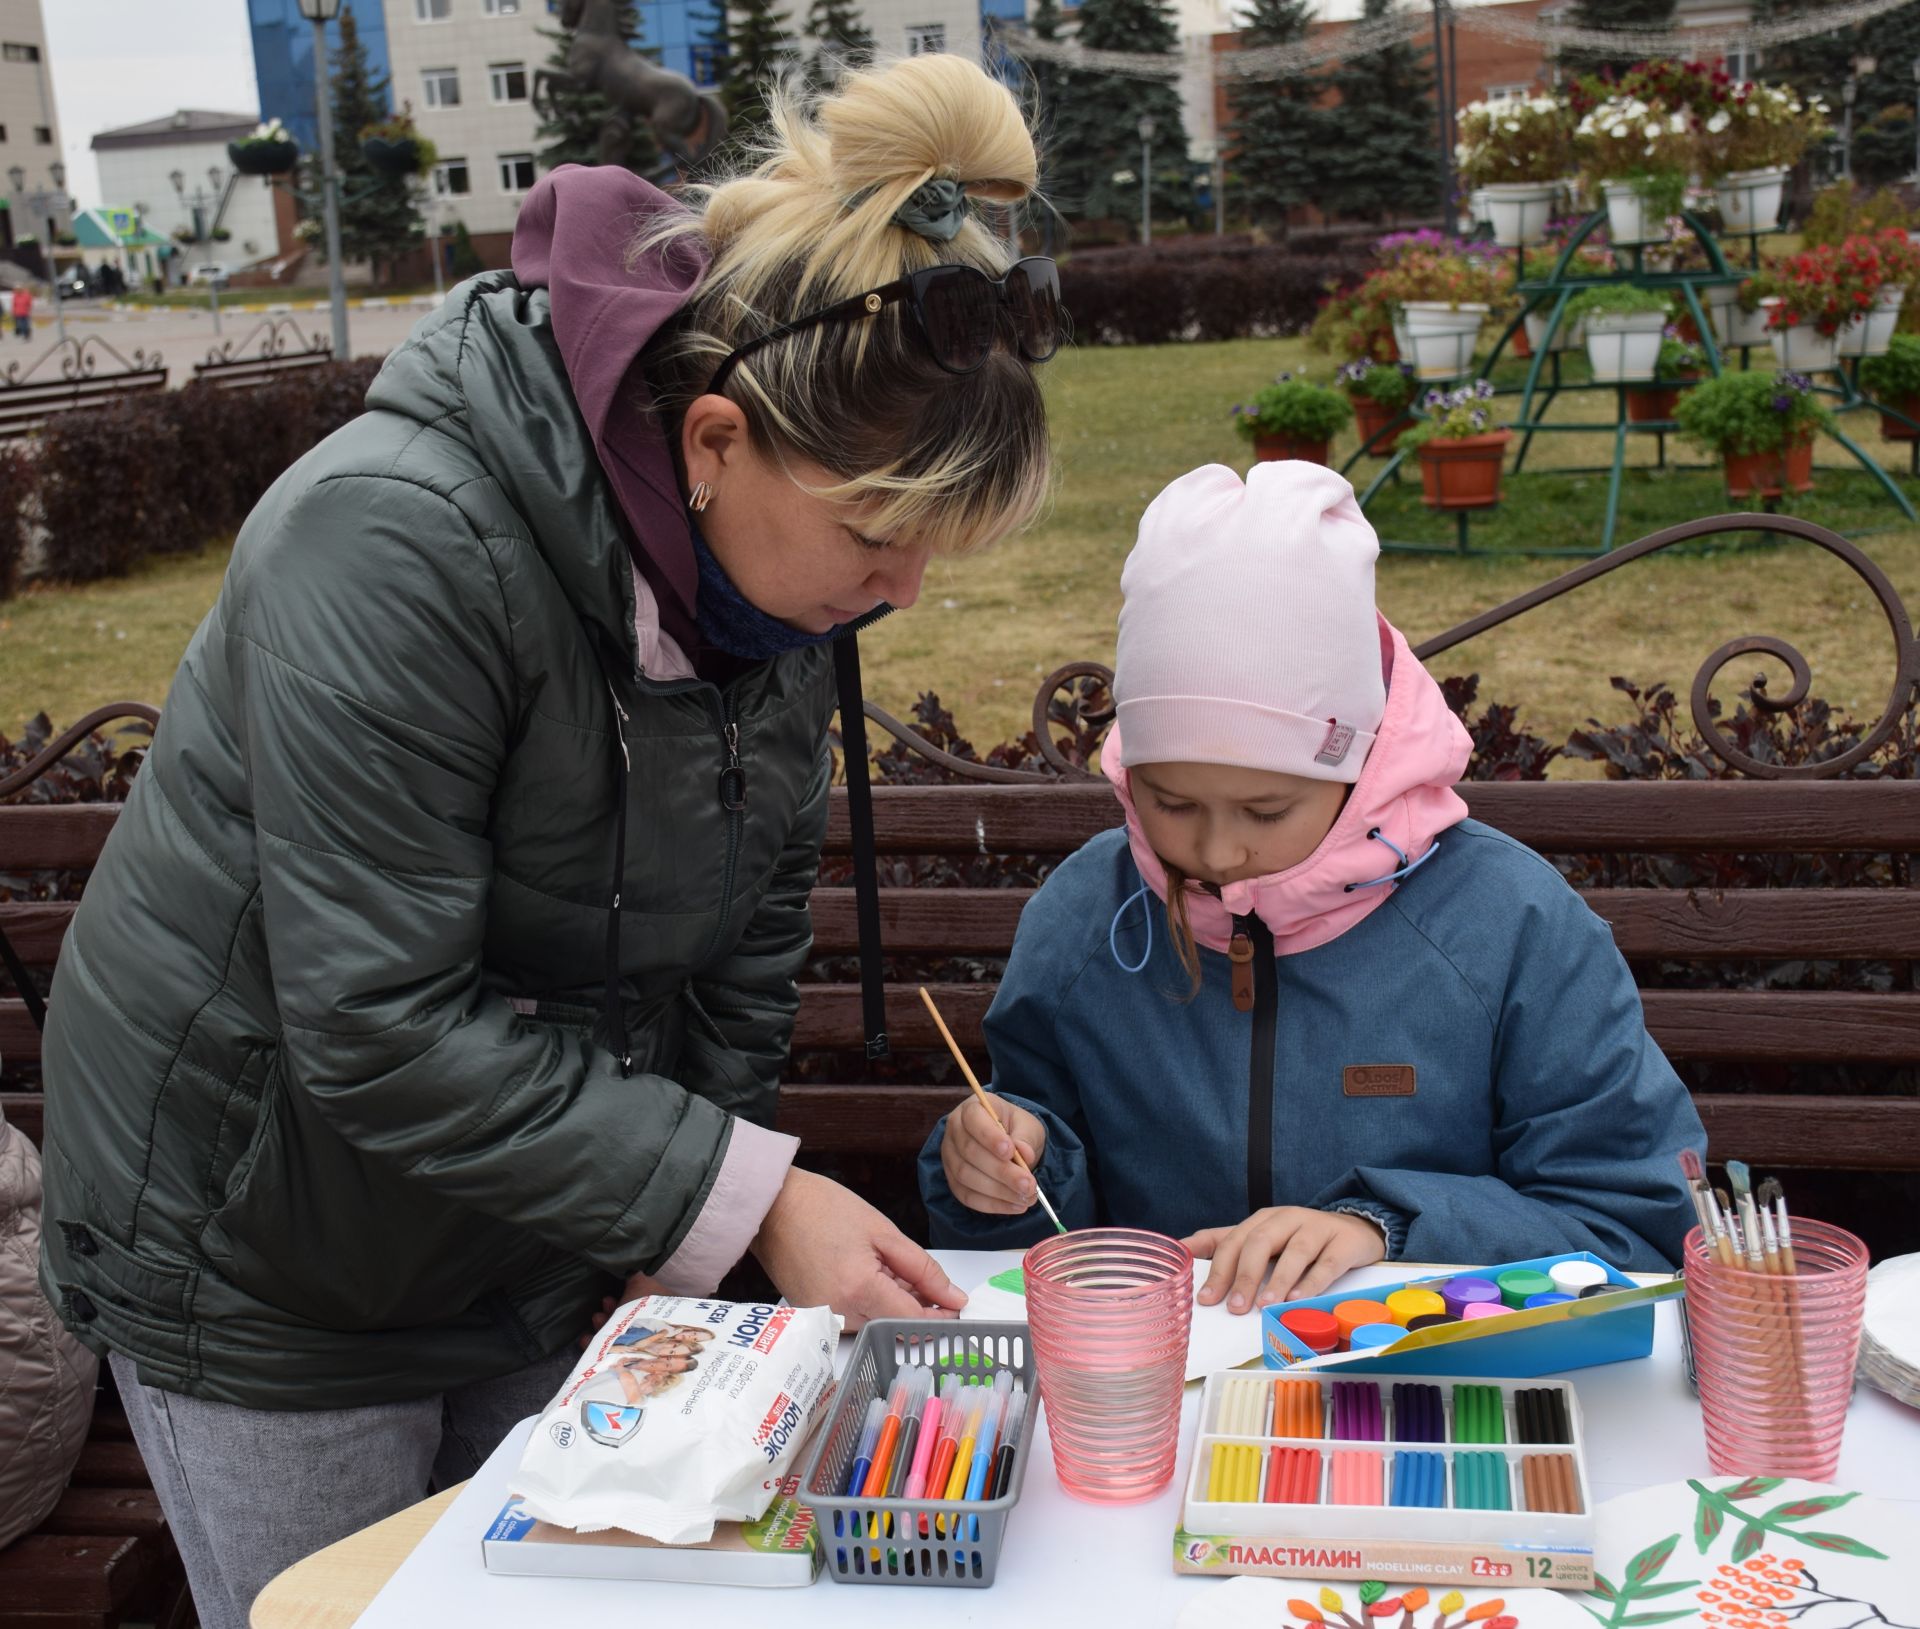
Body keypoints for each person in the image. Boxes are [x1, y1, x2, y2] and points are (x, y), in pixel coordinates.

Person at [39, 52, 1055, 1629]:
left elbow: (750, 938)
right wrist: (745, 1195)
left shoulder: (760, 593)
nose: (907, 592)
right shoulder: (392, 542)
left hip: (524, 1224)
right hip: (261, 1258)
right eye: (878, 534)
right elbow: (373, 1025)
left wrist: (680, 1235)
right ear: (712, 440)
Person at [919, 461, 1706, 1311]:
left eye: (1267, 807)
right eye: (1171, 800)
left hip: (1414, 1397)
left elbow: (1634, 1220)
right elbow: (1033, 1182)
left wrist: (1387, 1229)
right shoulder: (1087, 917)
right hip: (1169, 1393)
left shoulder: (1510, 927)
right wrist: (1001, 1164)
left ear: (1360, 763)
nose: (1218, 849)